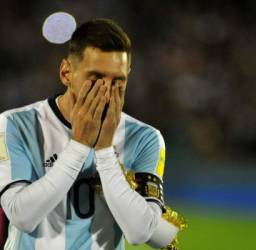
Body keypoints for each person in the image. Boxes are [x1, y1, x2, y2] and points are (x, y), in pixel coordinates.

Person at [0, 19, 182, 249]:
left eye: (118, 81)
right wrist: (79, 145)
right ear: (66, 73)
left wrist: (105, 152)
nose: (106, 92)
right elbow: (22, 216)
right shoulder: (17, 124)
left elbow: (141, 232)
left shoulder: (144, 138)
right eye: (95, 79)